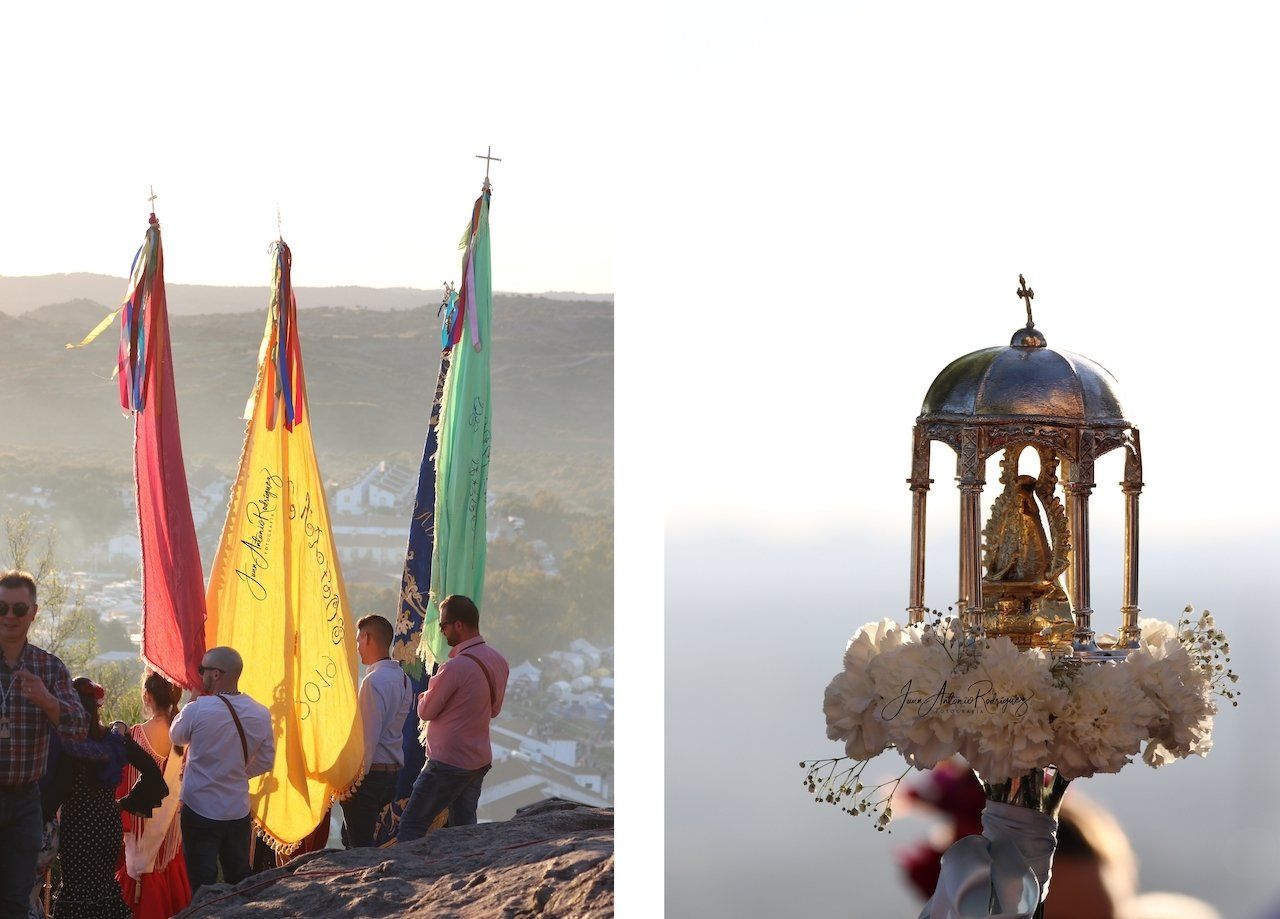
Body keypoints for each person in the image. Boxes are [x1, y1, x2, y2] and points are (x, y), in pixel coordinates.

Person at [0, 569, 88, 917]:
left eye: (18, 609)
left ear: (33, 613)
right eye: (1, 608)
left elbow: (79, 728)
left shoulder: (48, 668)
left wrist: (46, 700)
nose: (9, 617)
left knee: (16, 900)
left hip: (24, 801)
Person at [45, 677, 166, 919]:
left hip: (76, 827)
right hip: (106, 825)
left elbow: (58, 788)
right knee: (104, 886)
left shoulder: (68, 742)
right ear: (97, 707)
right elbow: (152, 772)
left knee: (76, 889)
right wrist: (125, 804)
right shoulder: (114, 739)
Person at [398, 595, 508, 842]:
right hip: (477, 759)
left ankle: (406, 876)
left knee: (413, 825)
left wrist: (425, 694)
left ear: (458, 625)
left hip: (447, 761)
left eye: (443, 625)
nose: (442, 631)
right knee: (463, 829)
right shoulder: (499, 661)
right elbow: (494, 710)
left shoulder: (455, 667)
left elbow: (425, 711)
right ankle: (464, 870)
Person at [169, 647, 274, 896]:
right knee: (239, 880)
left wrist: (191, 700)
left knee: (203, 885)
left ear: (216, 674)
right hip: (237, 810)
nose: (200, 674)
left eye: (202, 669)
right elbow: (267, 761)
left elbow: (176, 735)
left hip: (199, 809)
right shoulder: (260, 712)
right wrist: (236, 773)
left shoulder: (198, 709)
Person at [115, 672, 192, 917]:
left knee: (138, 876)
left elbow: (123, 785)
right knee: (169, 868)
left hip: (140, 822)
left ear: (147, 697)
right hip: (170, 823)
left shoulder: (135, 735)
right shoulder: (183, 737)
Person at [341, 614, 413, 848]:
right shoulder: (403, 679)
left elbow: (368, 738)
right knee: (364, 837)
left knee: (359, 844)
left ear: (368, 638)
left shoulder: (373, 681)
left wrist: (353, 780)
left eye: (359, 640)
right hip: (391, 773)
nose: (358, 646)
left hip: (370, 775)